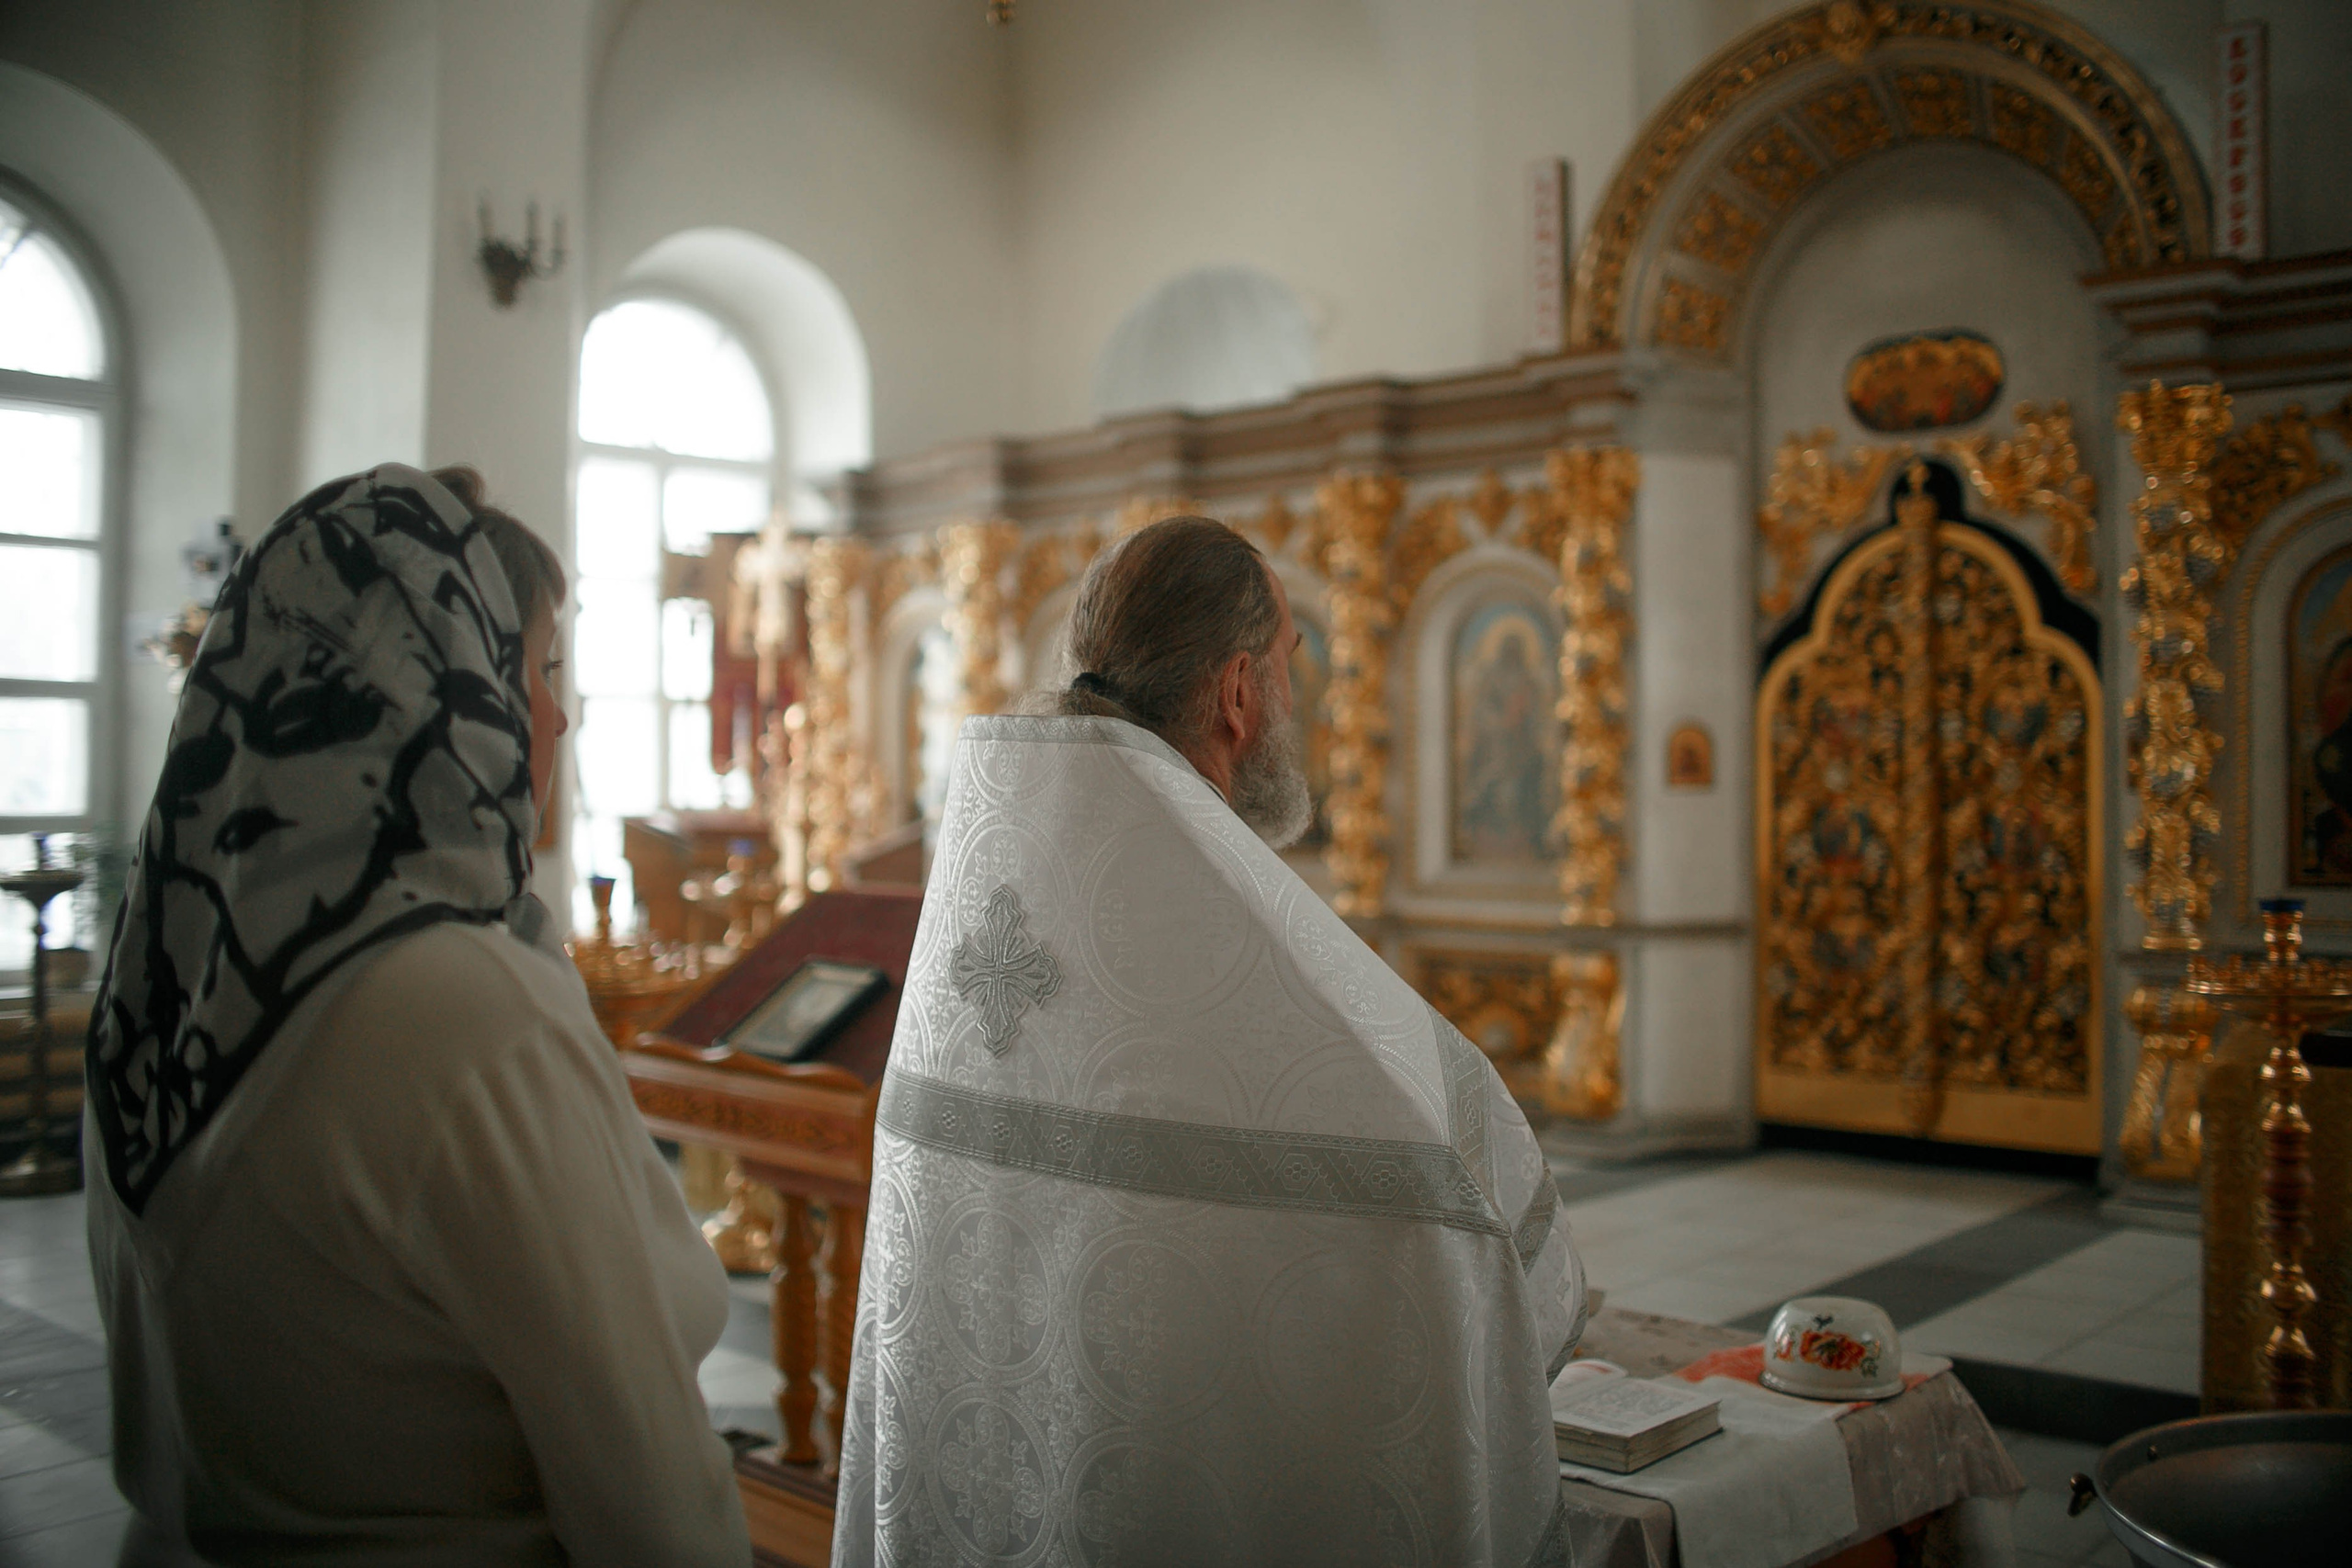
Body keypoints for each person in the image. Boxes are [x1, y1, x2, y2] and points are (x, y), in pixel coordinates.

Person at [831, 517, 1586, 1568]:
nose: (1291, 696)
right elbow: (1478, 1204)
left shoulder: (992, 897)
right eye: (1286, 665)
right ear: (1236, 694)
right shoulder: (1232, 940)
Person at [85, 465, 751, 1566]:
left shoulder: (173, 967)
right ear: (437, 692)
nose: (561, 713)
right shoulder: (468, 1010)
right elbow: (657, 1506)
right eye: (533, 667)